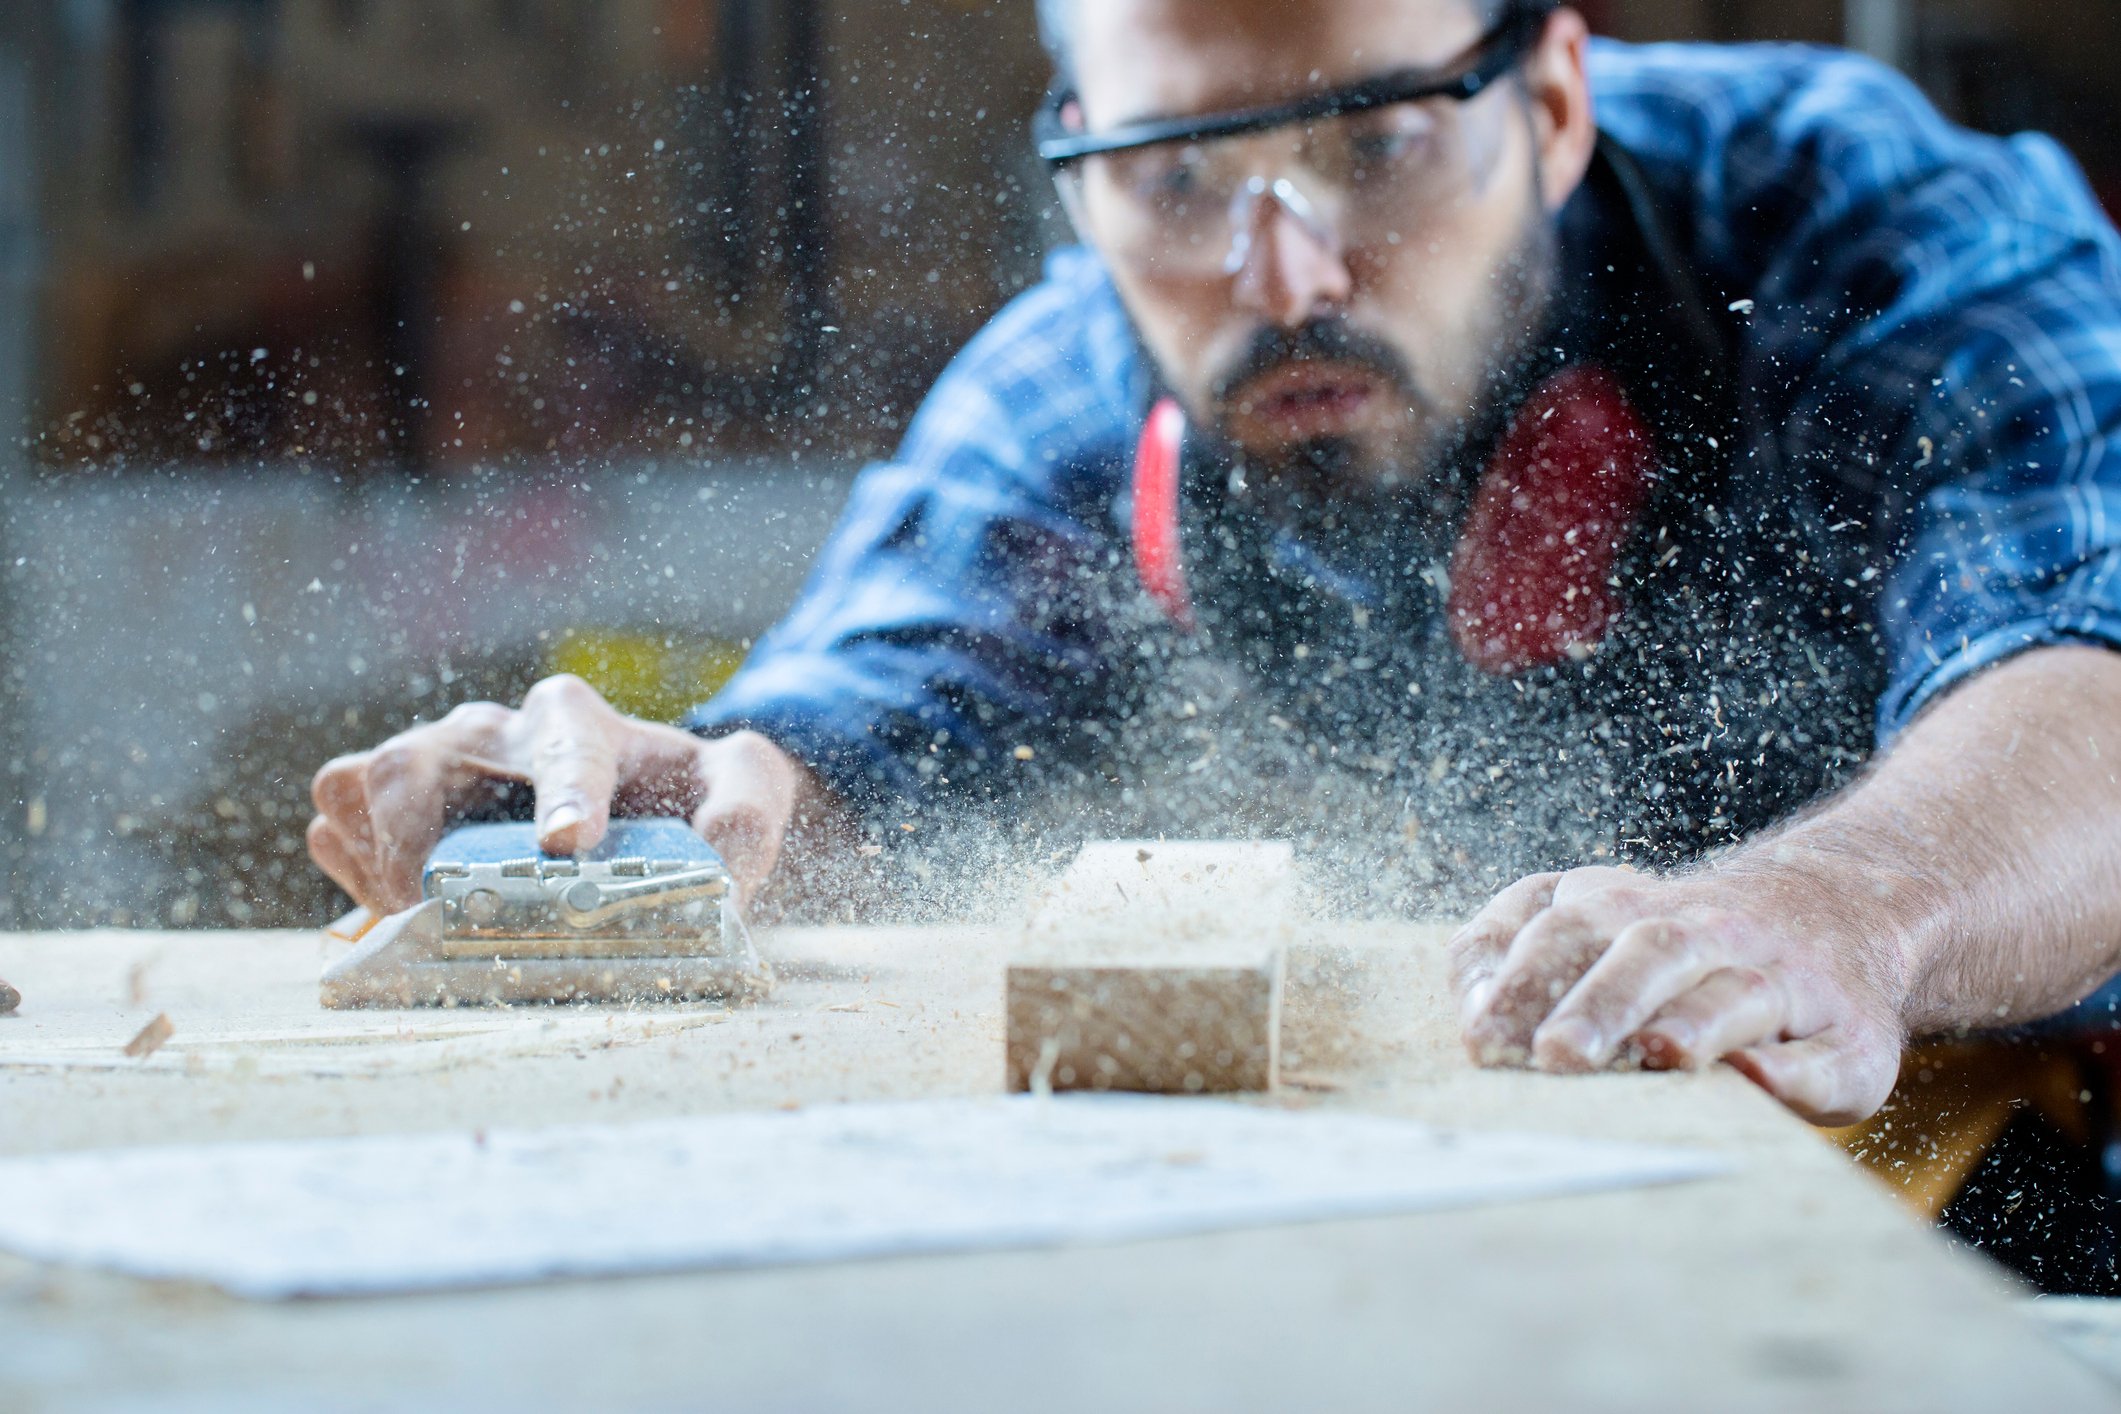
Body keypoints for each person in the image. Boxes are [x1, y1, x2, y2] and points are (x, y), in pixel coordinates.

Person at [309, 0, 2121, 1131]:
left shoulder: (1856, 214)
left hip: (2013, 1148)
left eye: (1377, 144)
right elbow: (846, 727)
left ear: (1551, 103)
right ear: (1077, 171)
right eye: (1174, 177)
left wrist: (1844, 910)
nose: (1283, 278)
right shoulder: (1082, 373)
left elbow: (2088, 668)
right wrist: (688, 798)